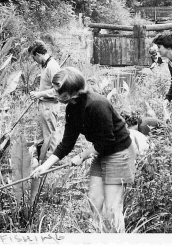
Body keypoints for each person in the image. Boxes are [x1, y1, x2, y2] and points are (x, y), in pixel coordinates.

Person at [31, 67, 135, 233]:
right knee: (94, 201)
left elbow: (107, 140)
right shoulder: (72, 108)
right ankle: (98, 238)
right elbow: (67, 142)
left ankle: (116, 238)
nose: (54, 94)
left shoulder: (97, 104)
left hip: (118, 152)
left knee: (112, 208)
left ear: (72, 92)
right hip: (102, 152)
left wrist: (83, 155)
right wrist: (46, 166)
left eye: (58, 92)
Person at [28, 40, 61, 204]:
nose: (34, 61)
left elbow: (58, 91)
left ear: (38, 54)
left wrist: (39, 94)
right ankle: (39, 161)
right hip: (43, 106)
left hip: (49, 106)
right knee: (40, 137)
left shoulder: (52, 66)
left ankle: (48, 164)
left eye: (34, 58)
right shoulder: (45, 66)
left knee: (49, 137)